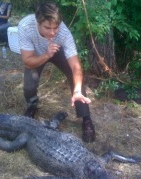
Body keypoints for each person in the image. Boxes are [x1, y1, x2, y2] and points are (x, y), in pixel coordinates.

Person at [18, 1, 96, 143]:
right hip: (36, 54)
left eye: (56, 27)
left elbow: (76, 67)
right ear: (37, 22)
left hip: (57, 50)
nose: (53, 32)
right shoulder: (25, 26)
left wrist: (77, 91)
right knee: (29, 86)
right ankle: (32, 106)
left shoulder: (64, 33)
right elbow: (27, 60)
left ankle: (86, 119)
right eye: (48, 28)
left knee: (75, 78)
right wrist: (46, 55)